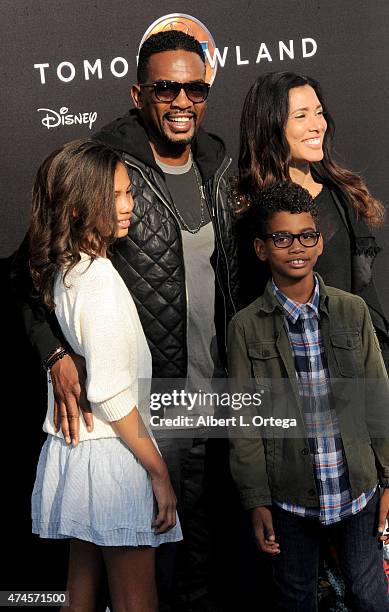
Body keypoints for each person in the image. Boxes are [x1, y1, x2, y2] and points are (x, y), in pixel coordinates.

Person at [11, 30, 240, 611]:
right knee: (145, 571)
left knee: (199, 549)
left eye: (195, 87)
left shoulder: (219, 162)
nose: (182, 100)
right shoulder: (104, 165)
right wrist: (55, 354)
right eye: (166, 87)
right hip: (137, 413)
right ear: (140, 93)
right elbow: (26, 268)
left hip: (211, 395)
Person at [29, 139, 182, 612]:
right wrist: (159, 474)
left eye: (128, 192)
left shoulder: (68, 269)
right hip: (115, 458)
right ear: (78, 209)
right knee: (138, 602)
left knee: (81, 597)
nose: (129, 205)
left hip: (83, 454)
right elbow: (114, 397)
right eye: (115, 195)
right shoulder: (98, 281)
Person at [228, 181, 389, 611]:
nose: (296, 246)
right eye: (281, 238)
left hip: (356, 488)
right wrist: (256, 500)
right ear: (262, 248)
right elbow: (246, 424)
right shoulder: (246, 327)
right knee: (296, 596)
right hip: (290, 498)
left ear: (319, 244)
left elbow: (377, 399)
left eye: (307, 236)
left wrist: (387, 477)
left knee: (368, 592)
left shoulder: (351, 310)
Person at [233, 71, 389, 367]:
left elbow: (367, 300)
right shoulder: (246, 211)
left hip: (348, 374)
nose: (317, 125)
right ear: (271, 126)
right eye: (301, 116)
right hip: (280, 379)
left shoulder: (341, 198)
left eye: (319, 113)